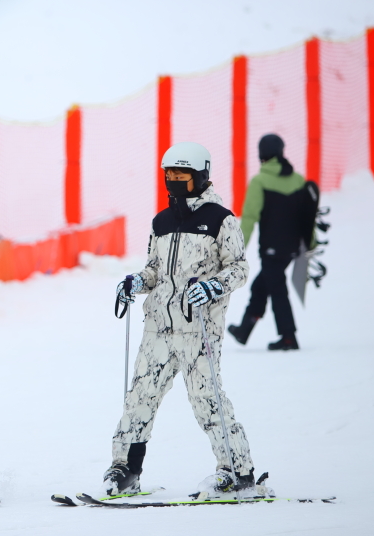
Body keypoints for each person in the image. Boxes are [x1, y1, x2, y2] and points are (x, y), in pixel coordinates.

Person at [103, 142, 258, 498]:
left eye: (181, 175)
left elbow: (239, 268)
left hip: (198, 329)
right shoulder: (162, 221)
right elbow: (156, 271)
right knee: (139, 398)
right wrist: (136, 282)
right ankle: (126, 469)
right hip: (158, 328)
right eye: (168, 175)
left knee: (207, 399)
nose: (172, 181)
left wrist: (212, 286)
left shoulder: (221, 219)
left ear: (201, 176)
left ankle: (238, 472)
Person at [228, 134, 307, 351]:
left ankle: (289, 337)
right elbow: (307, 217)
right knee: (261, 286)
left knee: (277, 289)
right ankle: (244, 329)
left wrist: (236, 250)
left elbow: (250, 218)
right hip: (291, 249)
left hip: (271, 249)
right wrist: (311, 244)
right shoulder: (298, 180)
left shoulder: (259, 182)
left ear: (261, 154)